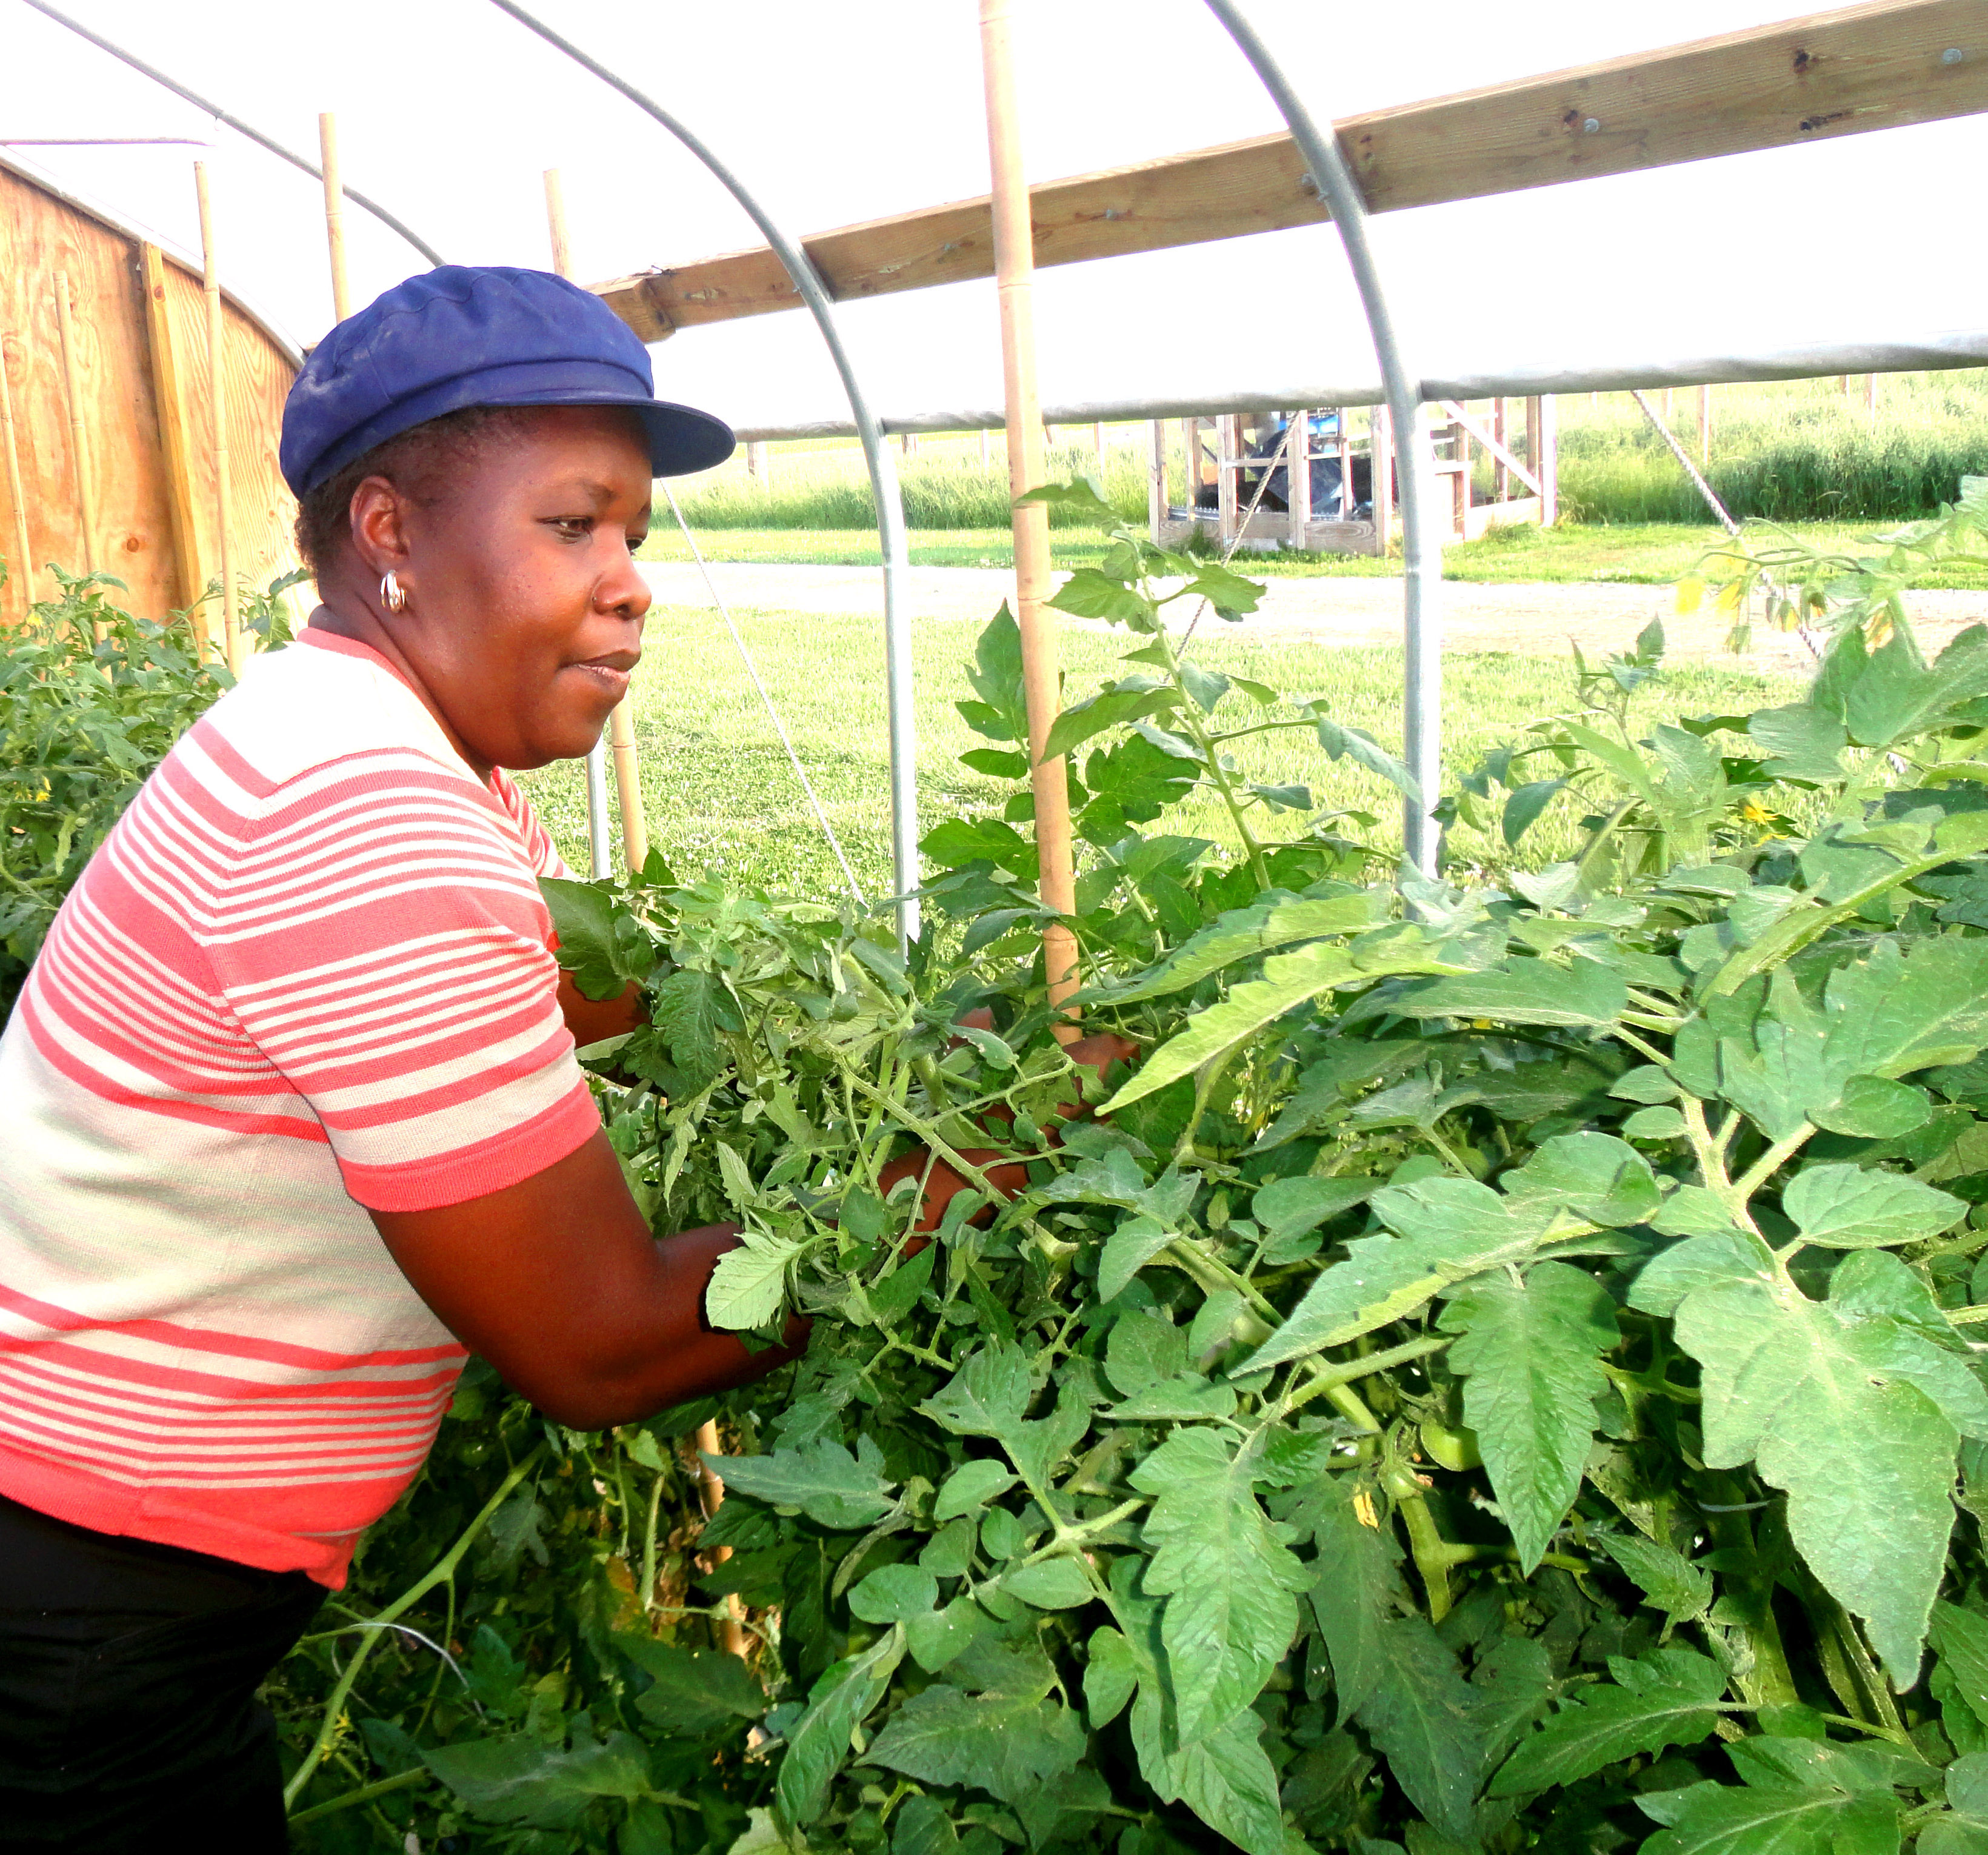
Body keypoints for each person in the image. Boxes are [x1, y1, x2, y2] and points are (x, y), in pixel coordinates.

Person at [0, 266, 810, 1850]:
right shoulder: (369, 812)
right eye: (574, 525)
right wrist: (933, 1198)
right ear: (390, 536)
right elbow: (603, 1344)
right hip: (73, 1613)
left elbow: (564, 990)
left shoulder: (360, 738)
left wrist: (752, 1015)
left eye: (634, 534)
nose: (633, 580)